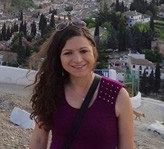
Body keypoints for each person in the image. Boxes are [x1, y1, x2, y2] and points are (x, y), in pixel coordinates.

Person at [28, 20, 134, 149]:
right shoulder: (52, 90)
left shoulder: (116, 95)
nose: (78, 59)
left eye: (83, 51)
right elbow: (39, 140)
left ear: (93, 52)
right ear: (58, 57)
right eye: (68, 53)